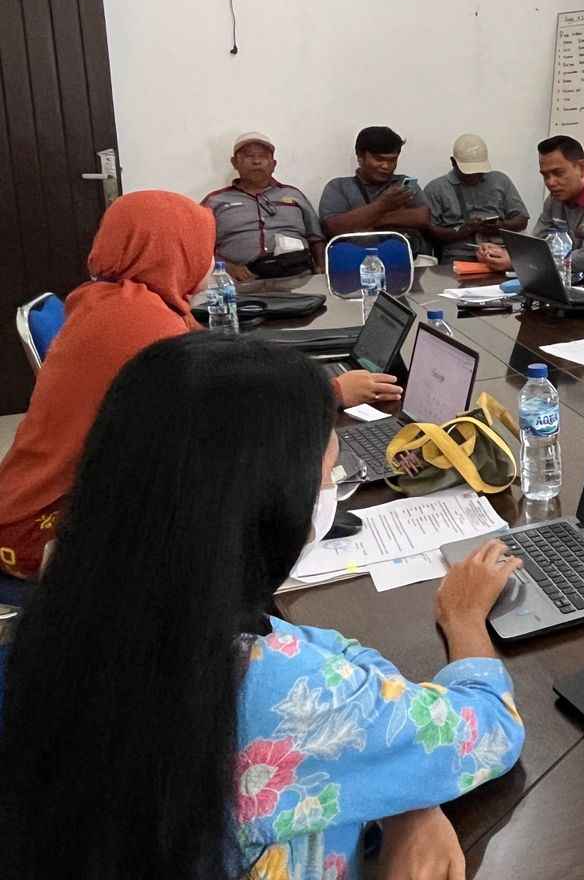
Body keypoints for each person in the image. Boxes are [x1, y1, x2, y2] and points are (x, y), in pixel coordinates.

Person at [0, 333, 526, 879]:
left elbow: (324, 659)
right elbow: (490, 727)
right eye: (328, 473)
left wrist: (401, 787)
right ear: (266, 503)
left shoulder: (76, 596)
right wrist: (464, 619)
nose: (330, 487)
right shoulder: (274, 687)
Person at [0, 192, 401, 586]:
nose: (211, 260)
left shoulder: (112, 299)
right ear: (173, 251)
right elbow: (226, 411)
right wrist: (330, 394)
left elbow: (217, 372)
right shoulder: (139, 322)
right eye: (204, 247)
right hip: (49, 534)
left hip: (44, 503)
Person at [486, 135, 584, 289]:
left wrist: (518, 260)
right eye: (545, 175)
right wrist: (505, 253)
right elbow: (537, 244)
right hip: (570, 281)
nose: (550, 182)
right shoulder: (554, 200)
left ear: (581, 168)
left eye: (558, 173)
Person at [202, 131, 324, 280]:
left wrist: (321, 271)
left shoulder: (294, 195)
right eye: (249, 156)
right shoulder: (215, 201)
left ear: (273, 164)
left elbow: (316, 239)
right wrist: (225, 267)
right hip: (240, 281)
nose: (256, 161)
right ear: (234, 163)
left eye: (263, 156)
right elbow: (197, 247)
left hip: (298, 276)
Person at [318, 125, 434, 258]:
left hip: (408, 258)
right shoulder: (338, 187)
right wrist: (382, 206)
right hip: (356, 260)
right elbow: (333, 228)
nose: (386, 166)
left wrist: (364, 220)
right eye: (379, 159)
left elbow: (423, 218)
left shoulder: (402, 183)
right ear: (360, 157)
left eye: (393, 160)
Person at [423, 132, 529, 262]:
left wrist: (501, 226)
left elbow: (522, 219)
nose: (474, 176)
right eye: (468, 172)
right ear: (453, 162)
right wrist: (461, 231)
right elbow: (429, 232)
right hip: (459, 256)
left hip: (500, 252)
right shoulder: (436, 189)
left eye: (479, 171)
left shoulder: (500, 180)